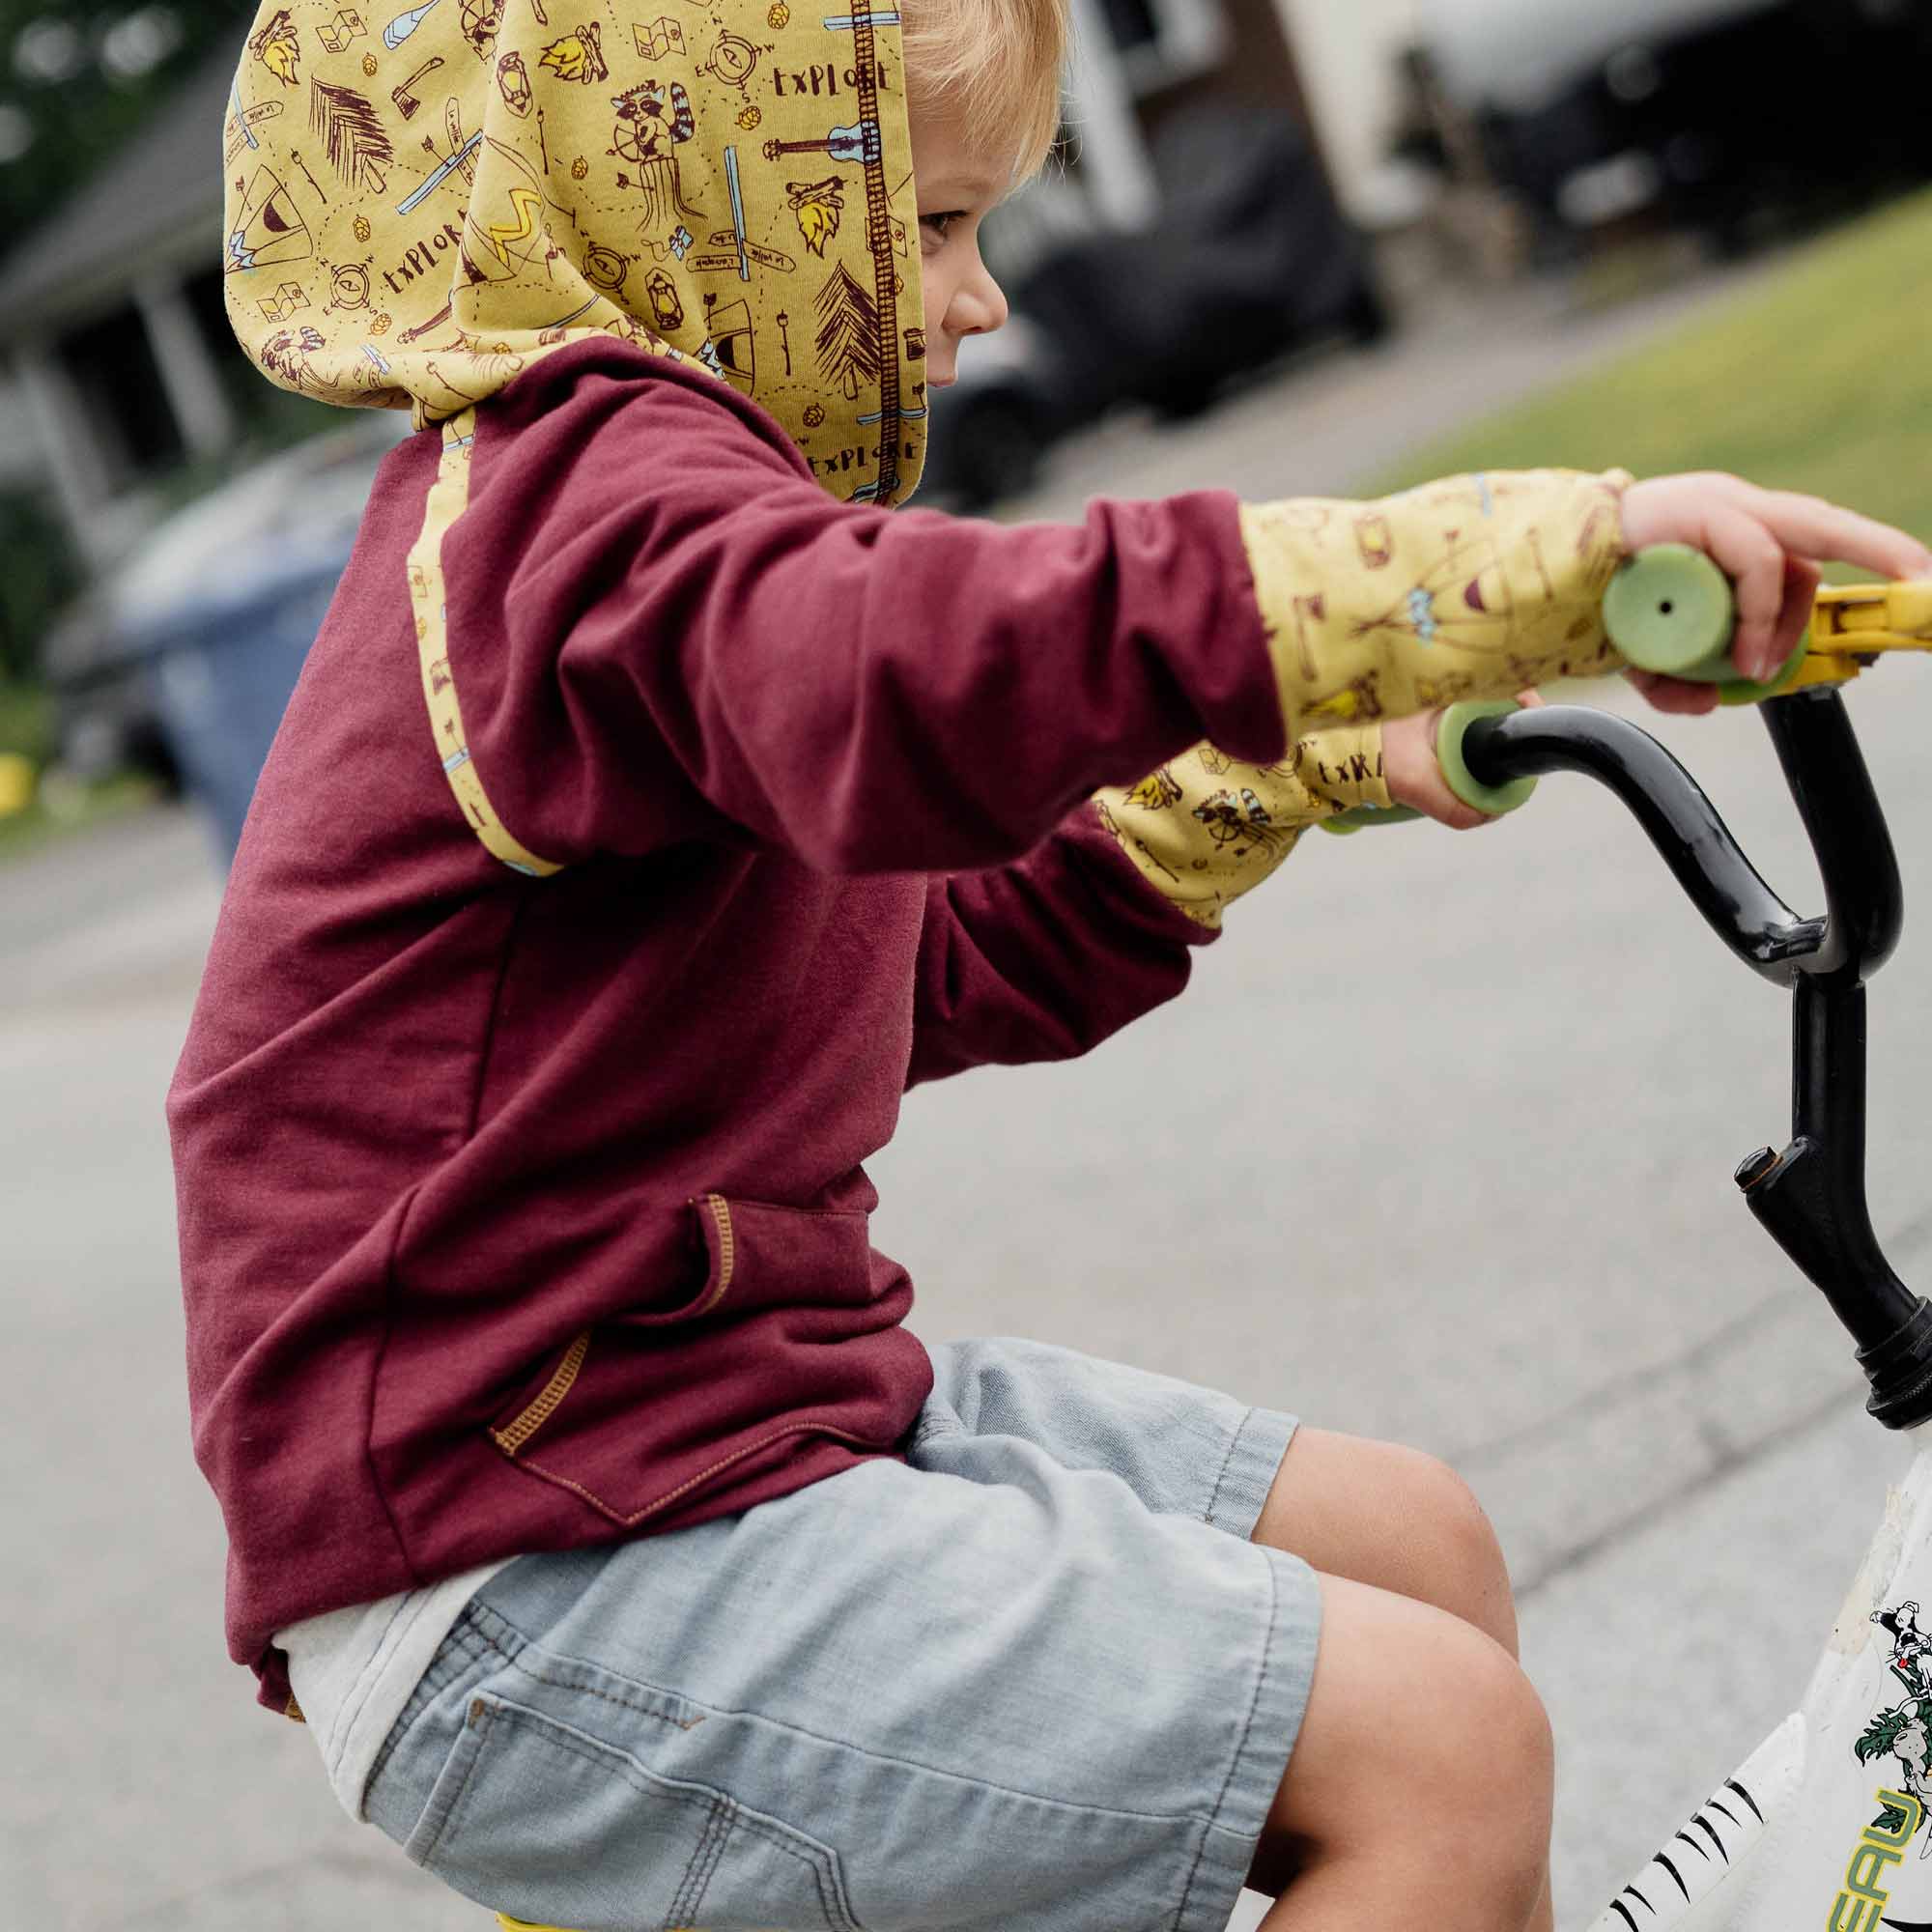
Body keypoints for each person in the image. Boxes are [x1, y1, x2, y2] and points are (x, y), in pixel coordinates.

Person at [177, 2, 1932, 1928]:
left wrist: (1310, 754)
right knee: (1436, 1756)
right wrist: (1483, 572)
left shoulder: (671, 563)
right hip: (521, 1557)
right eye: (923, 224)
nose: (982, 298)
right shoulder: (573, 525)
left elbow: (930, 956)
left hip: (711, 1435)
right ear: (706, 205)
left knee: (1411, 1553)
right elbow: (921, 674)